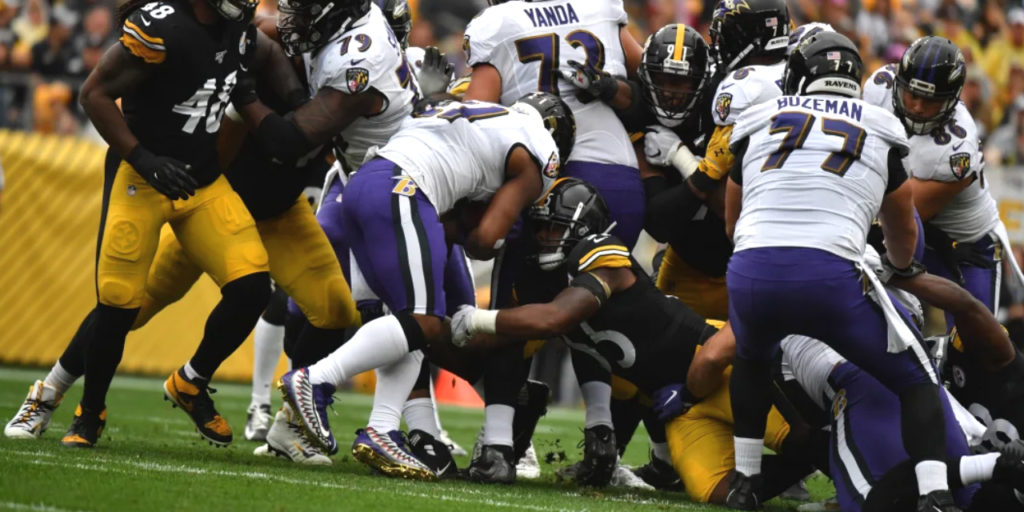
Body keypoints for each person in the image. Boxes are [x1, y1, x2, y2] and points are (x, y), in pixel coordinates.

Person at [450, 178, 813, 502]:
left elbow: (554, 319)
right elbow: (579, 347)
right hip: (677, 406)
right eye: (541, 228)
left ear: (584, 228)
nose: (545, 236)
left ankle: (858, 482)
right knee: (716, 490)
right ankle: (799, 467)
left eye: (554, 228)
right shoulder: (549, 279)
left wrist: (479, 319)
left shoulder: (603, 254)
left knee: (800, 438)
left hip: (713, 364)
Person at [279, 93, 573, 481]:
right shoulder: (537, 152)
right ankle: (315, 380)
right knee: (425, 320)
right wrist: (499, 235)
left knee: (410, 323)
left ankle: (382, 429)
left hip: (366, 184)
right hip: (402, 189)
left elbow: (451, 212)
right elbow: (484, 241)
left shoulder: (487, 116)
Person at [723, 32, 958, 511]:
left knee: (751, 359)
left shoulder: (756, 120)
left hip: (750, 269)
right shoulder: (880, 127)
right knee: (917, 379)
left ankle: (745, 482)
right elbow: (903, 231)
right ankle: (935, 495)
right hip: (830, 274)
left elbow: (734, 222)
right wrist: (895, 267)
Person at [53, 0, 291, 449]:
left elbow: (244, 77)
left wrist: (293, 115)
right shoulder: (163, 26)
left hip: (201, 181)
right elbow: (93, 95)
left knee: (253, 287)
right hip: (142, 175)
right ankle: (89, 412)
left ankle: (192, 382)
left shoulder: (237, 27)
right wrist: (144, 158)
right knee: (119, 302)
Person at [459, 0, 644, 483]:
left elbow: (479, 117)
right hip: (619, 174)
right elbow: (646, 89)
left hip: (545, 170)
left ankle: (498, 445)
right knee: (592, 307)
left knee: (509, 304)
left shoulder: (497, 22)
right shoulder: (600, 6)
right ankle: (602, 431)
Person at [862, 37, 1013, 331]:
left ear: (952, 99)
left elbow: (901, 213)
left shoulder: (957, 148)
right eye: (911, 95)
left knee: (973, 345)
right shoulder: (879, 87)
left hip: (965, 248)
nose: (917, 106)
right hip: (910, 228)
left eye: (930, 101)